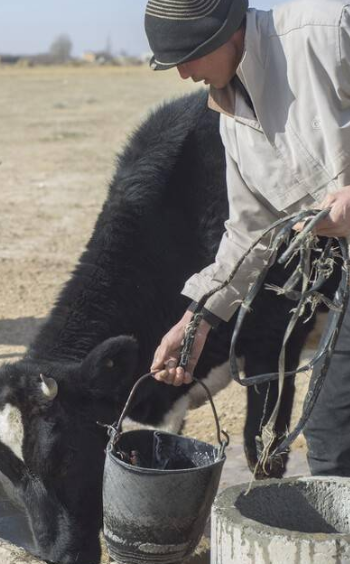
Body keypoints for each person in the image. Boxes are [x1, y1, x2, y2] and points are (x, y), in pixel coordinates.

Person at [145, 0, 350, 476]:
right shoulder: (232, 116)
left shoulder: (327, 30)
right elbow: (250, 230)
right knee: (331, 434)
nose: (182, 75)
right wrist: (196, 320)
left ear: (223, 31)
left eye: (187, 56)